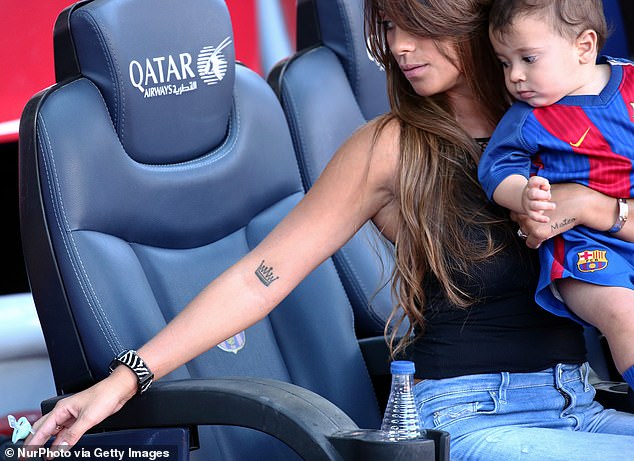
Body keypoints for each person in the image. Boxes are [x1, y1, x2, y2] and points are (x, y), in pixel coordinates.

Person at [25, 0, 634, 459]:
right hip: (468, 416)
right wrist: (125, 379)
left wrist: (594, 207)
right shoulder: (391, 148)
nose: (398, 46)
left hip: (580, 402)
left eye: (418, 24)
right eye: (389, 27)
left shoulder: (575, 121)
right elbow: (261, 278)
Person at [478, 0, 634, 392]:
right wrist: (524, 195)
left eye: (528, 58)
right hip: (582, 251)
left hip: (624, 220)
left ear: (584, 47)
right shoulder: (528, 118)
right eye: (504, 62)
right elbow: (496, 170)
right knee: (624, 313)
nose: (515, 76)